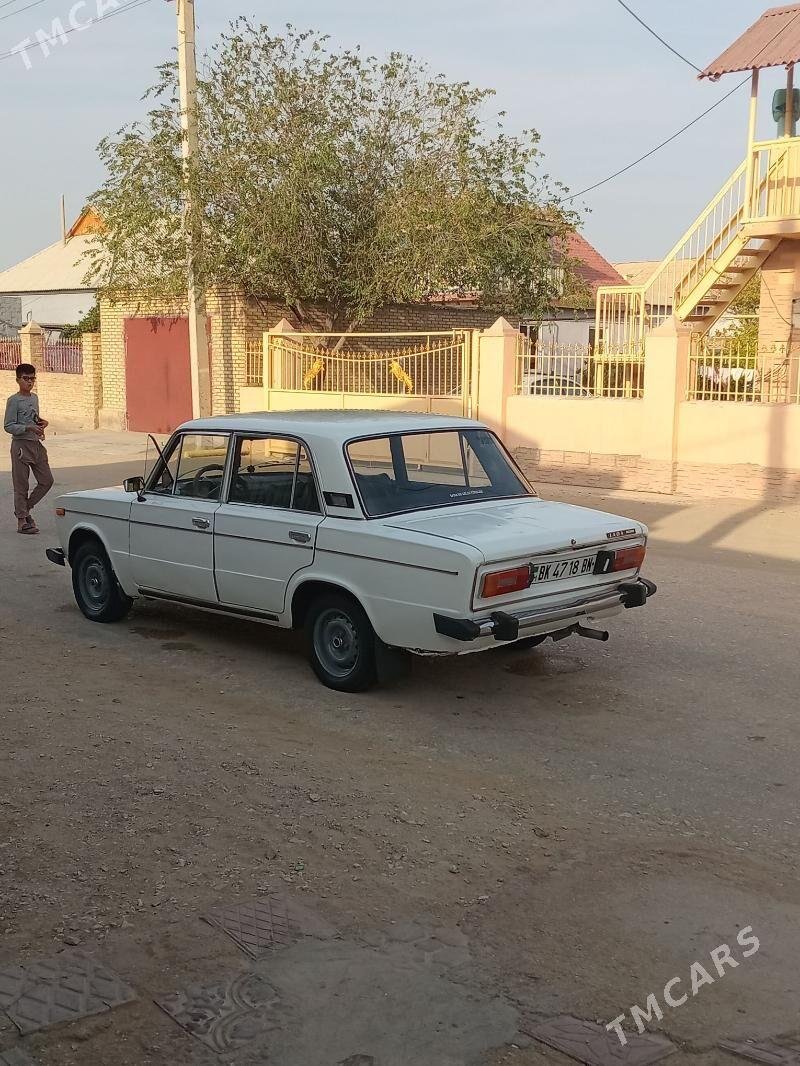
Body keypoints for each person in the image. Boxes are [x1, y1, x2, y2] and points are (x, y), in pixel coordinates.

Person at [4, 363, 54, 535]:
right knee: (21, 485)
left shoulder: (34, 398)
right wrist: (28, 428)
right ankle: (22, 521)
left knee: (47, 481)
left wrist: (41, 422)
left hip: (35, 444)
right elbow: (8, 426)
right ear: (18, 379)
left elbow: (33, 417)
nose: (30, 382)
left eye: (33, 378)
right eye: (26, 379)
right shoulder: (14, 400)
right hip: (21, 446)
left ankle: (26, 509)